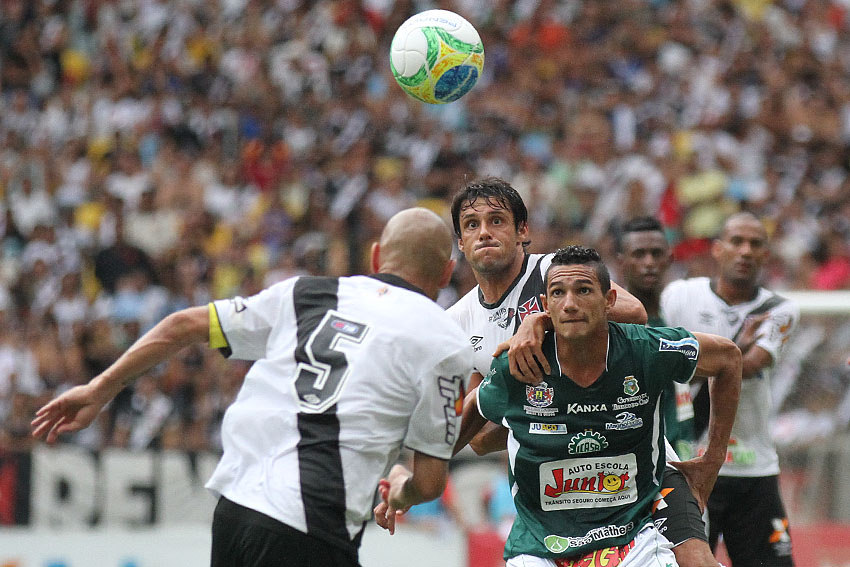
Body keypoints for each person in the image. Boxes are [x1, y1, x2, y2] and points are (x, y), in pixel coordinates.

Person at [32, 207, 474, 567]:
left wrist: (99, 388)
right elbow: (431, 480)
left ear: (377, 257)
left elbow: (183, 324)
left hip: (236, 509)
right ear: (446, 272)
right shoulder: (443, 340)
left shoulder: (305, 293)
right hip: (311, 522)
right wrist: (401, 489)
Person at [446, 178, 727, 567]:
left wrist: (541, 320)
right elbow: (478, 424)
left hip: (638, 476)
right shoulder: (456, 323)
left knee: (697, 559)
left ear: (522, 231)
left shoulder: (555, 271)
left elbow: (634, 313)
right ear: (460, 241)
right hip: (559, 491)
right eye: (472, 225)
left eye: (497, 221)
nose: (484, 233)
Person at [661, 212, 799, 567]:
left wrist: (702, 360)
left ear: (766, 255)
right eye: (737, 241)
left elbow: (750, 365)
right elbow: (664, 367)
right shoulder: (680, 296)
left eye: (755, 244)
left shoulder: (779, 310)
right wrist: (735, 346)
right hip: (687, 463)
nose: (746, 251)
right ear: (718, 249)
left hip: (753, 467)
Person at [617, 217, 696, 460]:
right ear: (622, 261)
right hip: (631, 458)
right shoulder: (610, 326)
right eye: (639, 254)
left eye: (656, 254)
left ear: (669, 259)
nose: (649, 263)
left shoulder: (684, 317)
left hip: (682, 453)